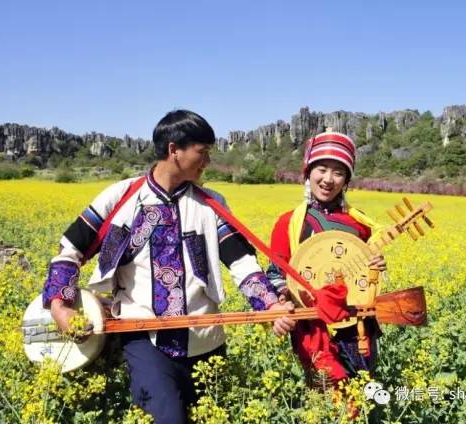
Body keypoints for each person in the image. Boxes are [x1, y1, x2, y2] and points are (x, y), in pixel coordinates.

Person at [43, 110, 296, 423]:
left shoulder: (211, 204)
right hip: (143, 338)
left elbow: (242, 262)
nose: (207, 161)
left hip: (204, 341)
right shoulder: (120, 197)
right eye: (202, 152)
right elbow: (69, 250)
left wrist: (269, 305)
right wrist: (59, 307)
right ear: (174, 149)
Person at [266, 130, 387, 387]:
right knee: (326, 396)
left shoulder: (360, 224)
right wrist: (283, 300)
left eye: (339, 172)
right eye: (321, 169)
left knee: (360, 395)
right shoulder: (289, 223)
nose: (328, 179)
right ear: (308, 172)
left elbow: (365, 279)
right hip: (313, 327)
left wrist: (377, 268)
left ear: (347, 181)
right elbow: (276, 273)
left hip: (357, 328)